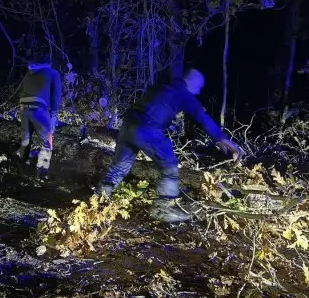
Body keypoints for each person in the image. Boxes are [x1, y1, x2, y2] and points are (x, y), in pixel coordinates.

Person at [96, 68, 240, 223]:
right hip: (148, 130)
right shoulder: (183, 92)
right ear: (191, 82)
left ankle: (97, 201)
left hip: (127, 126)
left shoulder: (163, 85)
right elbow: (202, 117)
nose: (198, 92)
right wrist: (222, 138)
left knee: (118, 168)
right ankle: (163, 208)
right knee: (169, 166)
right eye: (199, 87)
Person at [14, 53, 62, 179]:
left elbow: (18, 90)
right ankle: (42, 170)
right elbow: (56, 95)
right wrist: (54, 114)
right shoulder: (53, 73)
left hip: (23, 107)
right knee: (47, 139)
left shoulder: (29, 73)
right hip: (39, 108)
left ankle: (20, 167)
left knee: (26, 138)